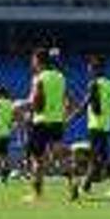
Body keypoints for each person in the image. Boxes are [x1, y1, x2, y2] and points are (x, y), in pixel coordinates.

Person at [22, 49, 70, 200]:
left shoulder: (38, 78)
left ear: (39, 61)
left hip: (41, 122)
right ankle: (73, 183)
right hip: (56, 122)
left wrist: (16, 106)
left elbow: (33, 102)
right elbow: (65, 100)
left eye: (33, 59)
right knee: (59, 156)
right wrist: (64, 117)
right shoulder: (61, 77)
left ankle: (37, 194)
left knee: (37, 160)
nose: (32, 62)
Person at [79, 55, 110, 199]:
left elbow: (84, 105)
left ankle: (86, 187)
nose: (88, 70)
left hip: (95, 127)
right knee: (102, 158)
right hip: (105, 127)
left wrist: (68, 119)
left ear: (95, 69)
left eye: (90, 67)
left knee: (97, 158)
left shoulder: (93, 84)